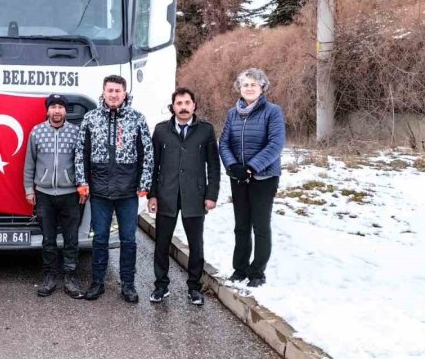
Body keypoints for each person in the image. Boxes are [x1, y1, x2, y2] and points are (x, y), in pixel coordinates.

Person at [75, 75, 153, 303]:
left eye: (118, 91)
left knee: (128, 240)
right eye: (110, 90)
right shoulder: (90, 118)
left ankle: (128, 284)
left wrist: (144, 184)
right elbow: (81, 152)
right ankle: (97, 283)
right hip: (99, 191)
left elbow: (147, 153)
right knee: (99, 239)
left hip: (128, 192)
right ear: (104, 92)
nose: (113, 95)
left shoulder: (137, 119)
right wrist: (82, 182)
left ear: (125, 93)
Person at [147, 87, 219, 305]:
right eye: (179, 103)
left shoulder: (205, 131)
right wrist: (152, 194)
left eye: (187, 103)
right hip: (166, 194)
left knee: (196, 244)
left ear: (194, 105)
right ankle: (161, 286)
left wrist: (211, 194)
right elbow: (153, 165)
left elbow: (214, 166)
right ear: (173, 107)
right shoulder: (161, 131)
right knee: (162, 243)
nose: (184, 107)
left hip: (195, 196)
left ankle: (194, 287)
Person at [218, 68, 286, 288]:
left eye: (253, 85)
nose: (249, 88)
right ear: (240, 88)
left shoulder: (272, 111)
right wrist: (233, 166)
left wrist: (252, 167)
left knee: (260, 225)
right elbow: (224, 142)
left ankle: (257, 272)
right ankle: (240, 268)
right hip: (238, 176)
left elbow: (276, 144)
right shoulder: (232, 113)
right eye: (245, 84)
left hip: (264, 177)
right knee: (241, 225)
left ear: (262, 87)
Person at [23, 93, 83, 299]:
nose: (57, 111)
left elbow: (82, 163)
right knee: (48, 239)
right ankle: (49, 277)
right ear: (47, 110)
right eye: (53, 107)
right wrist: (29, 190)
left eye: (60, 107)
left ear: (66, 111)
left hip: (70, 194)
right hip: (44, 195)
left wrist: (83, 187)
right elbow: (29, 163)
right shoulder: (37, 132)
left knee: (71, 239)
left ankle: (71, 277)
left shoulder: (76, 132)